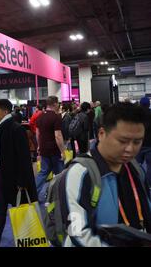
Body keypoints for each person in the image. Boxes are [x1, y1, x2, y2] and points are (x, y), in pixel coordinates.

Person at [62, 102, 151, 246]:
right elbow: (78, 234)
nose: (130, 149)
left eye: (137, 142)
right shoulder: (80, 174)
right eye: (123, 141)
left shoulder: (134, 168)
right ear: (101, 134)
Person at [0, 99, 37, 247]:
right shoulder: (0, 128)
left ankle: (26, 241)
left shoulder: (16, 129)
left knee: (20, 212)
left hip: (14, 179)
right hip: (1, 176)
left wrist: (22, 182)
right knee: (0, 211)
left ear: (6, 111)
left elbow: (24, 159)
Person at [35, 96, 66, 198]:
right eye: (58, 104)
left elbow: (38, 134)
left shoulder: (39, 117)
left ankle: (33, 193)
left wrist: (39, 146)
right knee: (59, 174)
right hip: (54, 150)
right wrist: (63, 151)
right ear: (55, 104)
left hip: (44, 149)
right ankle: (59, 195)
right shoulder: (56, 117)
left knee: (43, 172)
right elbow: (58, 135)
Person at [136, 97, 151, 186]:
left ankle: (138, 183)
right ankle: (149, 185)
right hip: (150, 144)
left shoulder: (135, 115)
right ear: (149, 104)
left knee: (136, 165)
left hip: (138, 143)